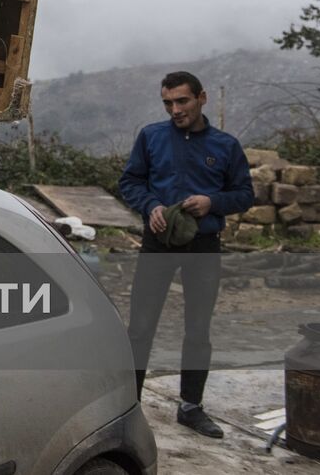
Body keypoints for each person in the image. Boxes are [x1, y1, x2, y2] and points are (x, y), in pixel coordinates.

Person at [118, 70, 254, 439]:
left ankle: (191, 407)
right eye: (168, 103)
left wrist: (213, 202)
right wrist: (151, 206)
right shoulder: (151, 137)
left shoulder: (226, 145)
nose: (175, 109)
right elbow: (130, 181)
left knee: (198, 329)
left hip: (204, 246)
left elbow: (245, 194)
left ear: (201, 98)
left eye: (182, 101)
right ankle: (127, 407)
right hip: (158, 243)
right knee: (141, 327)